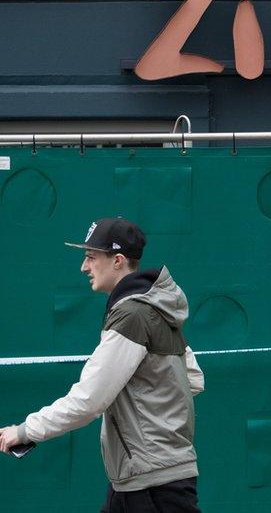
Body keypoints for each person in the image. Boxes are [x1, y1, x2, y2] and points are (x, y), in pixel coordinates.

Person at [0, 217, 205, 512]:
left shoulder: (132, 316)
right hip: (141, 480)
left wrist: (23, 432)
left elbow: (89, 400)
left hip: (151, 485)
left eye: (91, 257)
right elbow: (193, 379)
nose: (84, 267)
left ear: (118, 261)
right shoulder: (155, 310)